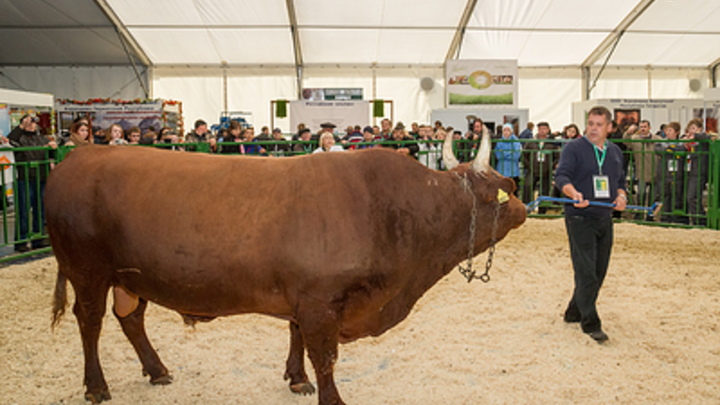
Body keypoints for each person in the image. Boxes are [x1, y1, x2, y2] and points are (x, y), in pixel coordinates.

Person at [555, 106, 627, 343]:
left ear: (609, 127)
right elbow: (561, 177)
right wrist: (573, 192)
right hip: (579, 217)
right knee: (586, 270)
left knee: (599, 270)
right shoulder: (574, 148)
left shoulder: (615, 152)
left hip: (604, 217)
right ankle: (590, 322)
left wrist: (621, 197)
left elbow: (620, 182)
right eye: (590, 123)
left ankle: (574, 311)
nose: (593, 128)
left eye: (599, 124)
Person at [8, 114, 58, 252]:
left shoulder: (42, 138)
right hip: (25, 177)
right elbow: (11, 140)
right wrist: (21, 127)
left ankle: (38, 238)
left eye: (33, 122)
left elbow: (52, 154)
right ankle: (21, 241)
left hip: (41, 177)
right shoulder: (20, 138)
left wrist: (52, 148)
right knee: (23, 210)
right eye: (28, 122)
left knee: (40, 209)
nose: (31, 124)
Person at [623, 120, 661, 213]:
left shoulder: (657, 139)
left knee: (653, 196)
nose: (643, 129)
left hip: (655, 172)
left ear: (649, 128)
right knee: (641, 194)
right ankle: (639, 214)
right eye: (641, 127)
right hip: (641, 172)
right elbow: (625, 140)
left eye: (645, 126)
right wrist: (628, 132)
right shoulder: (635, 139)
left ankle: (650, 215)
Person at [522, 122, 560, 213]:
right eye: (540, 129)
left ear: (548, 130)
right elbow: (524, 155)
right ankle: (527, 209)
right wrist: (529, 166)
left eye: (544, 128)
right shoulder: (531, 142)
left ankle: (542, 210)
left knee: (545, 190)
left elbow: (557, 156)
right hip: (532, 170)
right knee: (528, 186)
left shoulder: (552, 143)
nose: (542, 131)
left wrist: (551, 166)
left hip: (546, 171)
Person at [653, 122, 686, 224]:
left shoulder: (681, 143)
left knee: (676, 197)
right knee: (664, 197)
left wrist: (669, 150)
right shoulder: (661, 143)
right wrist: (670, 150)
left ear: (677, 132)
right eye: (667, 130)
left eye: (670, 130)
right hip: (663, 174)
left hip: (677, 175)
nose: (667, 132)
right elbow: (658, 149)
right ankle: (665, 219)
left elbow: (682, 150)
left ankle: (675, 219)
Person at [683, 118, 711, 225]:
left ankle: (700, 221)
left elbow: (706, 137)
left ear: (700, 129)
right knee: (691, 197)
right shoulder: (691, 141)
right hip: (690, 171)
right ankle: (696, 220)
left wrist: (694, 136)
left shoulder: (703, 140)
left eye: (694, 128)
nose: (691, 131)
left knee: (692, 197)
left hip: (699, 172)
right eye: (690, 128)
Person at [494, 123, 522, 195]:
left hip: (513, 171)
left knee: (513, 192)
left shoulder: (516, 141)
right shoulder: (499, 141)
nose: (506, 132)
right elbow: (498, 156)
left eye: (508, 130)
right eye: (504, 130)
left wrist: (503, 153)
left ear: (511, 131)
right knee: (501, 193)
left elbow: (516, 156)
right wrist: (510, 153)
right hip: (501, 171)